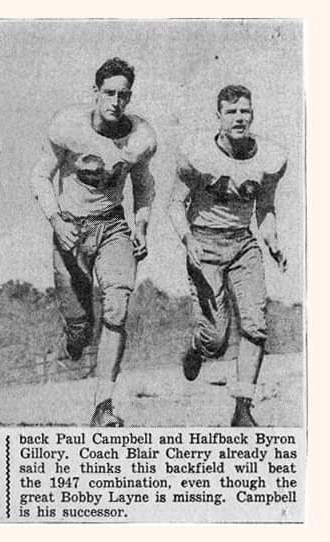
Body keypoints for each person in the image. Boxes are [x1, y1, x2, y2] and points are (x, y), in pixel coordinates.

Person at [30, 58, 156, 427]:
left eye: (123, 94)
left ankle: (104, 405)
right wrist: (55, 219)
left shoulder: (141, 137)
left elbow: (144, 185)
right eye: (109, 93)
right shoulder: (68, 126)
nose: (116, 101)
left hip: (113, 226)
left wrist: (141, 223)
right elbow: (40, 175)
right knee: (80, 326)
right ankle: (75, 336)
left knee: (116, 308)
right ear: (95, 93)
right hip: (71, 229)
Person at [168, 84, 288, 426]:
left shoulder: (269, 156)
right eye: (232, 111)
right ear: (218, 116)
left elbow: (264, 207)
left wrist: (273, 240)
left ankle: (243, 409)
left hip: (242, 243)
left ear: (253, 114)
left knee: (256, 324)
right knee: (216, 339)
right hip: (204, 242)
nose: (239, 118)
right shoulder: (198, 153)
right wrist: (187, 238)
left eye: (245, 111)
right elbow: (175, 203)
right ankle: (197, 346)